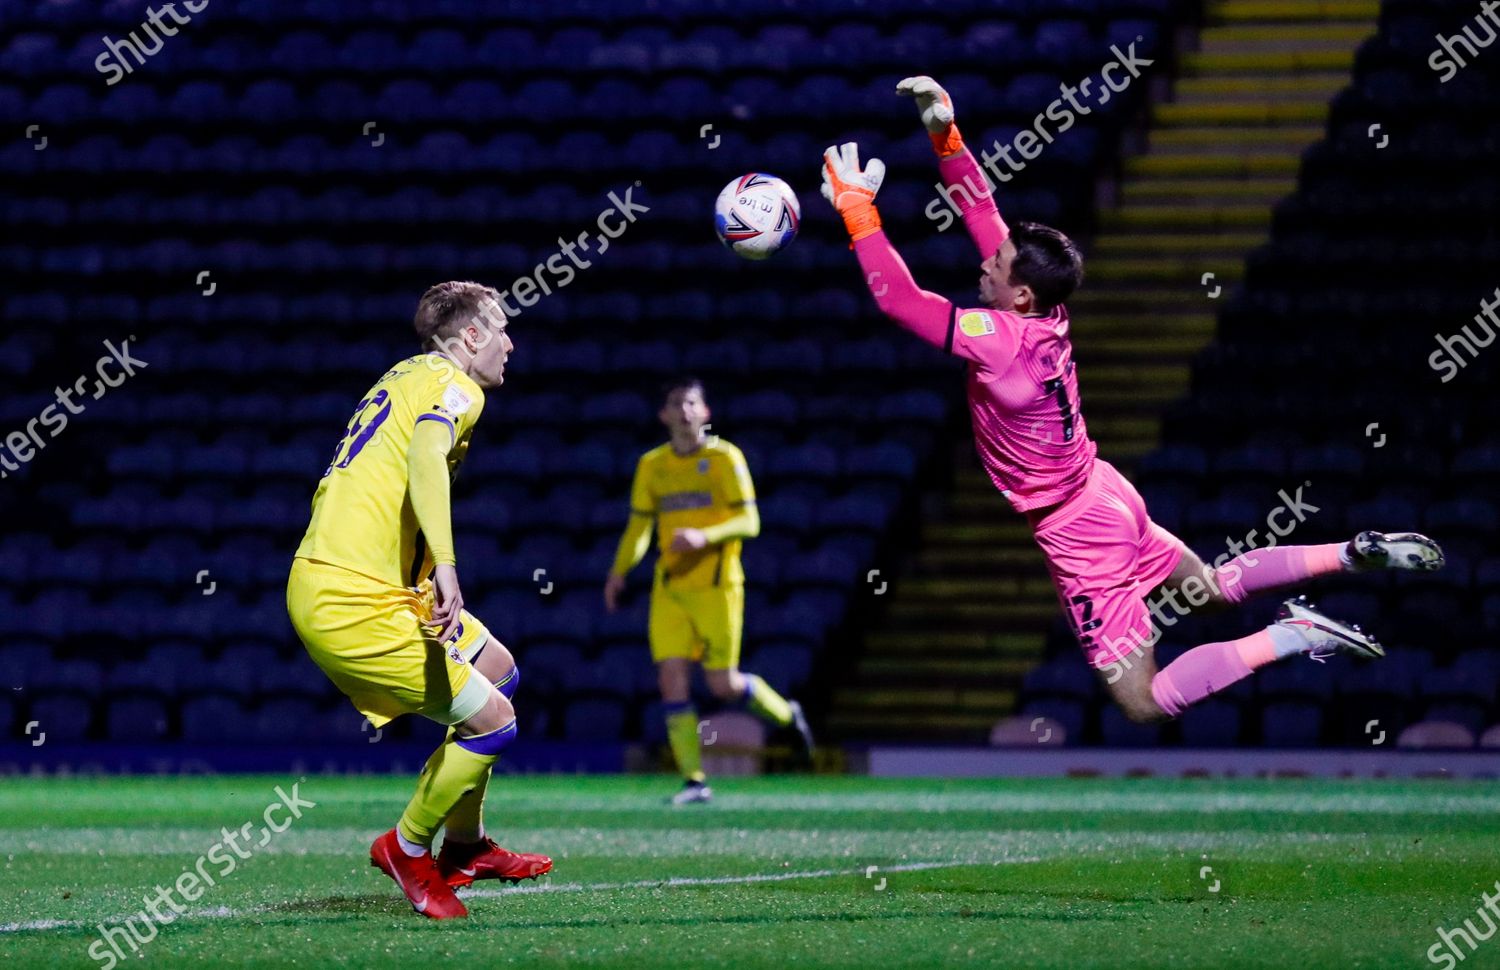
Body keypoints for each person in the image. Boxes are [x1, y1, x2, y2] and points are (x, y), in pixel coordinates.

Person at [819, 77, 1444, 725]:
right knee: (1214, 590)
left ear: (1022, 294)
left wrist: (856, 209)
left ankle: (1291, 637)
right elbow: (979, 210)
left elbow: (900, 301)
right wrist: (942, 131)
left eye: (996, 265)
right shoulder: (1046, 315)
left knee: (1144, 702)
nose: (985, 263)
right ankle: (1349, 553)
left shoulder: (1001, 340)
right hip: (1103, 490)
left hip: (1077, 527)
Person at [287, 281, 550, 919]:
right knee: (495, 723)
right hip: (351, 600)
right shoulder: (458, 388)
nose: (511, 343)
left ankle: (464, 846)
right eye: (502, 329)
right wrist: (450, 566)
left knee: (499, 674)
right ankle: (407, 849)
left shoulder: (406, 374)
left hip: (375, 585)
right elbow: (425, 455)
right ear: (471, 338)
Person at [605, 377, 814, 804]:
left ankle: (786, 715)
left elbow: (750, 523)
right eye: (676, 403)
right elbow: (640, 526)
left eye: (692, 403)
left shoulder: (725, 458)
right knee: (671, 679)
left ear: (705, 413)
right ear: (664, 415)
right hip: (671, 589)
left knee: (723, 685)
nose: (684, 411)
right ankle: (695, 781)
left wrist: (705, 537)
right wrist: (619, 572)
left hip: (718, 587)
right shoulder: (652, 465)